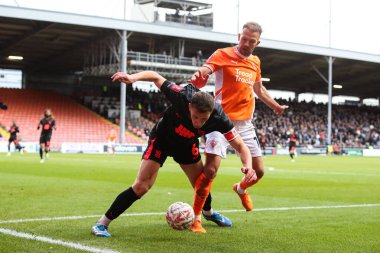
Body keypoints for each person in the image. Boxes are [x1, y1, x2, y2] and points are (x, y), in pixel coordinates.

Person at [91, 70, 256, 237]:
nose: (198, 123)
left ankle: (208, 213)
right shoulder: (182, 96)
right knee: (142, 186)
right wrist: (132, 78)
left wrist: (248, 166)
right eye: (195, 117)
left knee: (201, 183)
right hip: (162, 139)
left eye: (203, 119)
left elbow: (241, 146)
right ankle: (102, 223)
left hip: (186, 145)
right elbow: (155, 76)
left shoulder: (219, 118)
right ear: (189, 106)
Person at [190, 21, 288, 212]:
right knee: (210, 170)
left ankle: (241, 189)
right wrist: (200, 72)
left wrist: (275, 106)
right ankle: (199, 215)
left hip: (244, 124)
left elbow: (259, 88)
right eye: (243, 39)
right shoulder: (222, 53)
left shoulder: (255, 62)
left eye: (251, 41)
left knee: (258, 171)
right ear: (238, 37)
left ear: (257, 43)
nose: (246, 43)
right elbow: (207, 68)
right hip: (219, 121)